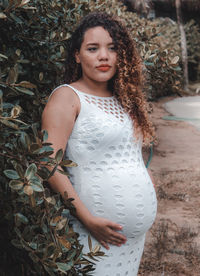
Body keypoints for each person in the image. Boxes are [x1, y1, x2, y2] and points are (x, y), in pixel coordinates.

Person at [42, 12, 157, 276]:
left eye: (112, 48)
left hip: (132, 240)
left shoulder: (124, 99)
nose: (103, 56)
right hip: (93, 234)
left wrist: (147, 184)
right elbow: (47, 162)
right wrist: (87, 218)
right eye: (92, 48)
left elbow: (130, 153)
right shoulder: (67, 97)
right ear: (77, 55)